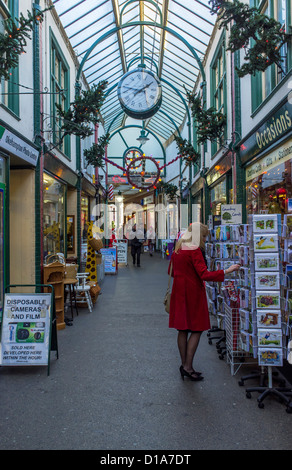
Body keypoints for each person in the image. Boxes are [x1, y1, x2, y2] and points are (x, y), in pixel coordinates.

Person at [168, 222, 240, 381]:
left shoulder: (178, 248)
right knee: (197, 329)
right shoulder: (194, 250)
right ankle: (188, 367)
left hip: (179, 292)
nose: (205, 239)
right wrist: (226, 271)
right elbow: (204, 274)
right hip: (192, 293)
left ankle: (184, 365)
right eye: (204, 236)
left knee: (182, 329)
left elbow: (171, 272)